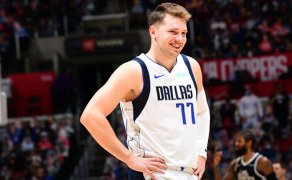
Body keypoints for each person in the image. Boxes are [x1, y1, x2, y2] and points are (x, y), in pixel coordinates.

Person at [80, 2, 210, 180]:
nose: (179, 39)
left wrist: (201, 151)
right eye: (173, 32)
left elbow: (202, 111)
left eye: (183, 33)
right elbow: (90, 116)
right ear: (153, 32)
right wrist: (129, 158)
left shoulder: (191, 66)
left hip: (188, 173)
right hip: (152, 174)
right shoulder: (134, 71)